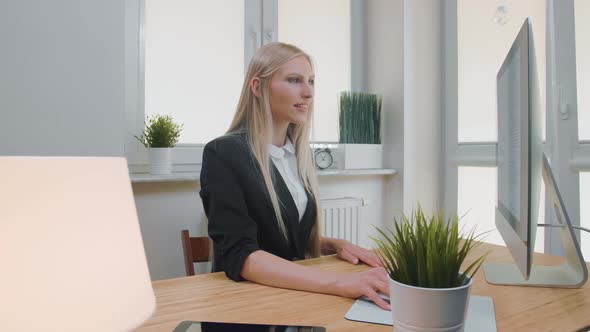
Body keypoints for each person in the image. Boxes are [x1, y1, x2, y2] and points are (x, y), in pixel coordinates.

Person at [199, 42, 390, 317]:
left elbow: (280, 236)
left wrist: (331, 244)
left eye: (311, 81)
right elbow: (241, 255)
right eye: (294, 80)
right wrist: (341, 283)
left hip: (292, 299)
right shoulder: (222, 153)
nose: (308, 92)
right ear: (257, 87)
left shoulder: (298, 155)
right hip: (247, 308)